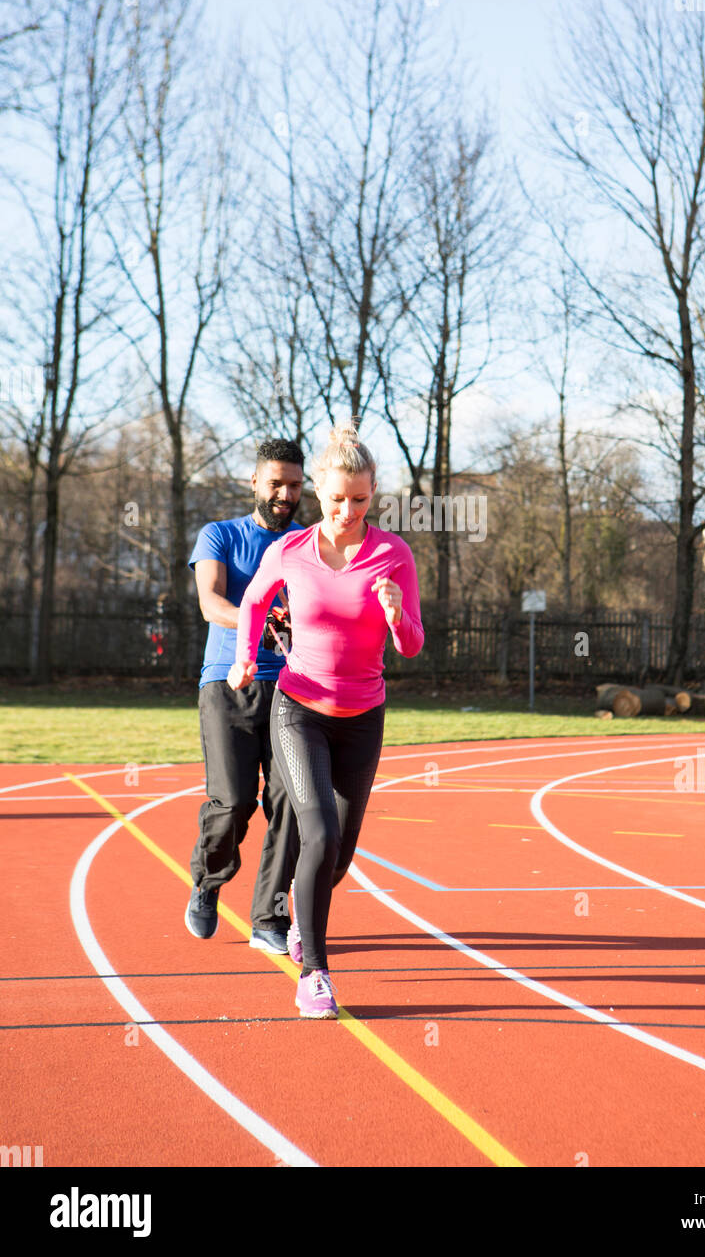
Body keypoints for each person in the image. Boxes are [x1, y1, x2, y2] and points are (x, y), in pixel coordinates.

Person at [228, 423, 424, 1018]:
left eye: (360, 500)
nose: (347, 510)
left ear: (374, 496)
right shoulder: (289, 550)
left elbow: (412, 646)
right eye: (337, 499)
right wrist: (243, 660)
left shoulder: (394, 554)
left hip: (363, 716)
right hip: (300, 709)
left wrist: (395, 615)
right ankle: (314, 972)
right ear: (318, 492)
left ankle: (302, 906)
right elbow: (254, 603)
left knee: (337, 857)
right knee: (317, 834)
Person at [184, 438, 305, 954]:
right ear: (254, 482)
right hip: (227, 681)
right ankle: (208, 883)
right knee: (233, 802)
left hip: (295, 688)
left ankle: (270, 916)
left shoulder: (310, 543)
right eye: (275, 482)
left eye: (295, 485)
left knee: (291, 803)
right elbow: (211, 603)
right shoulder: (220, 535)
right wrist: (262, 617)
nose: (284, 493)